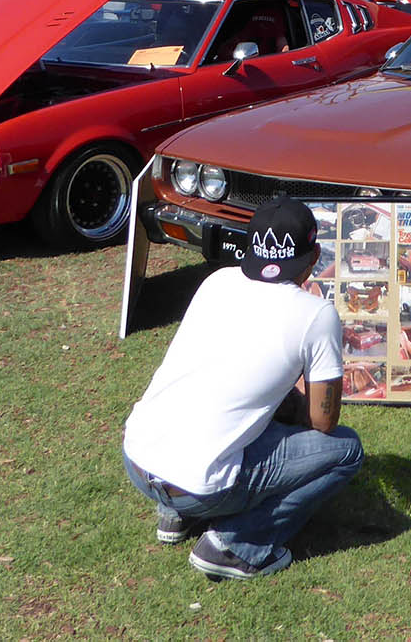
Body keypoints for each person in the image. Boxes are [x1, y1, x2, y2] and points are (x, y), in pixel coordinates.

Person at [124, 194, 361, 581]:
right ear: (314, 255)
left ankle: (174, 515)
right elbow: (323, 420)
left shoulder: (216, 281)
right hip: (199, 486)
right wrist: (297, 406)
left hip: (136, 460)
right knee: (346, 450)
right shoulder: (317, 314)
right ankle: (238, 546)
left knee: (223, 404)